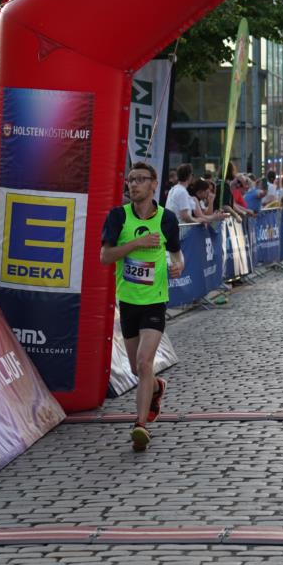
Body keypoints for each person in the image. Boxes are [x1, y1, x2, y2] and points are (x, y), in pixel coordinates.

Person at [101, 162, 184, 452]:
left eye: (140, 180)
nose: (133, 185)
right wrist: (136, 243)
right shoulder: (117, 217)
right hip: (128, 302)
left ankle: (140, 424)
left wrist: (177, 267)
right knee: (139, 369)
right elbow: (105, 256)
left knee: (144, 362)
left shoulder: (167, 219)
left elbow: (177, 255)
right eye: (130, 180)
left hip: (154, 301)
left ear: (153, 184)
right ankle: (157, 388)